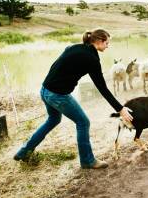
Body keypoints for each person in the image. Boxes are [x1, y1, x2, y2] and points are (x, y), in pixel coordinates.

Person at [14, 29, 133, 169]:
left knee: (53, 119)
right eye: (107, 43)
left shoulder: (74, 48)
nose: (108, 46)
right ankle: (87, 161)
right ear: (99, 41)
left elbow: (58, 66)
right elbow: (102, 88)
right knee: (83, 122)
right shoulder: (92, 59)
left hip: (45, 89)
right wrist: (120, 109)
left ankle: (23, 151)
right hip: (58, 95)